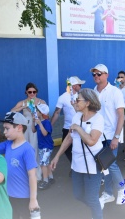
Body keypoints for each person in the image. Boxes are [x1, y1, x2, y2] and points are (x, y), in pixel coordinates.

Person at [51, 89, 104, 219]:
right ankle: (96, 205)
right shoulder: (76, 116)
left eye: (78, 100)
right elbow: (69, 138)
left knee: (91, 199)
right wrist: (57, 156)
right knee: (78, 195)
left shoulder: (98, 118)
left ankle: (96, 212)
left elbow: (91, 141)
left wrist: (79, 128)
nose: (75, 102)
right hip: (77, 165)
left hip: (92, 166)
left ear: (87, 102)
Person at [90, 64, 125, 208]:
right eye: (94, 74)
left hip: (111, 134)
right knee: (104, 165)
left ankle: (122, 190)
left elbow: (121, 115)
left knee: (111, 163)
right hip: (98, 135)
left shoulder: (115, 92)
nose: (96, 76)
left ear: (107, 75)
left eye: (99, 74)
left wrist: (116, 137)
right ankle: (109, 193)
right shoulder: (93, 91)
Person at [0, 112, 39, 219]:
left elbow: (32, 176)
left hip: (24, 197)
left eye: (7, 128)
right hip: (9, 195)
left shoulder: (27, 149)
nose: (4, 132)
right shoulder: (7, 144)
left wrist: (33, 200)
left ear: (19, 128)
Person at [11, 82, 46, 181]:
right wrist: (23, 107)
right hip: (25, 128)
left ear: (36, 92)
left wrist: (36, 112)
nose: (32, 94)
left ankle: (37, 174)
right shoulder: (22, 102)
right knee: (24, 149)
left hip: (35, 126)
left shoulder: (41, 102)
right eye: (30, 92)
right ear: (26, 92)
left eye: (34, 92)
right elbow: (11, 112)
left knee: (34, 149)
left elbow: (45, 115)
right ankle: (25, 174)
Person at [51, 76, 84, 169]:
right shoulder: (63, 97)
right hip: (67, 128)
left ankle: (80, 167)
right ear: (73, 86)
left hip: (80, 127)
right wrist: (50, 126)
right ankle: (75, 166)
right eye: (79, 85)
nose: (81, 86)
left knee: (81, 149)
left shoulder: (81, 96)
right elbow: (57, 112)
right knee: (66, 149)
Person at [32, 104, 55, 190]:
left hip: (47, 146)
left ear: (41, 113)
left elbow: (45, 133)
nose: (35, 113)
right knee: (46, 163)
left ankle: (45, 180)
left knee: (43, 164)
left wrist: (39, 124)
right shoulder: (39, 122)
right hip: (42, 146)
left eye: (37, 111)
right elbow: (33, 130)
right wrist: (33, 121)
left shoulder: (46, 122)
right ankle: (51, 177)